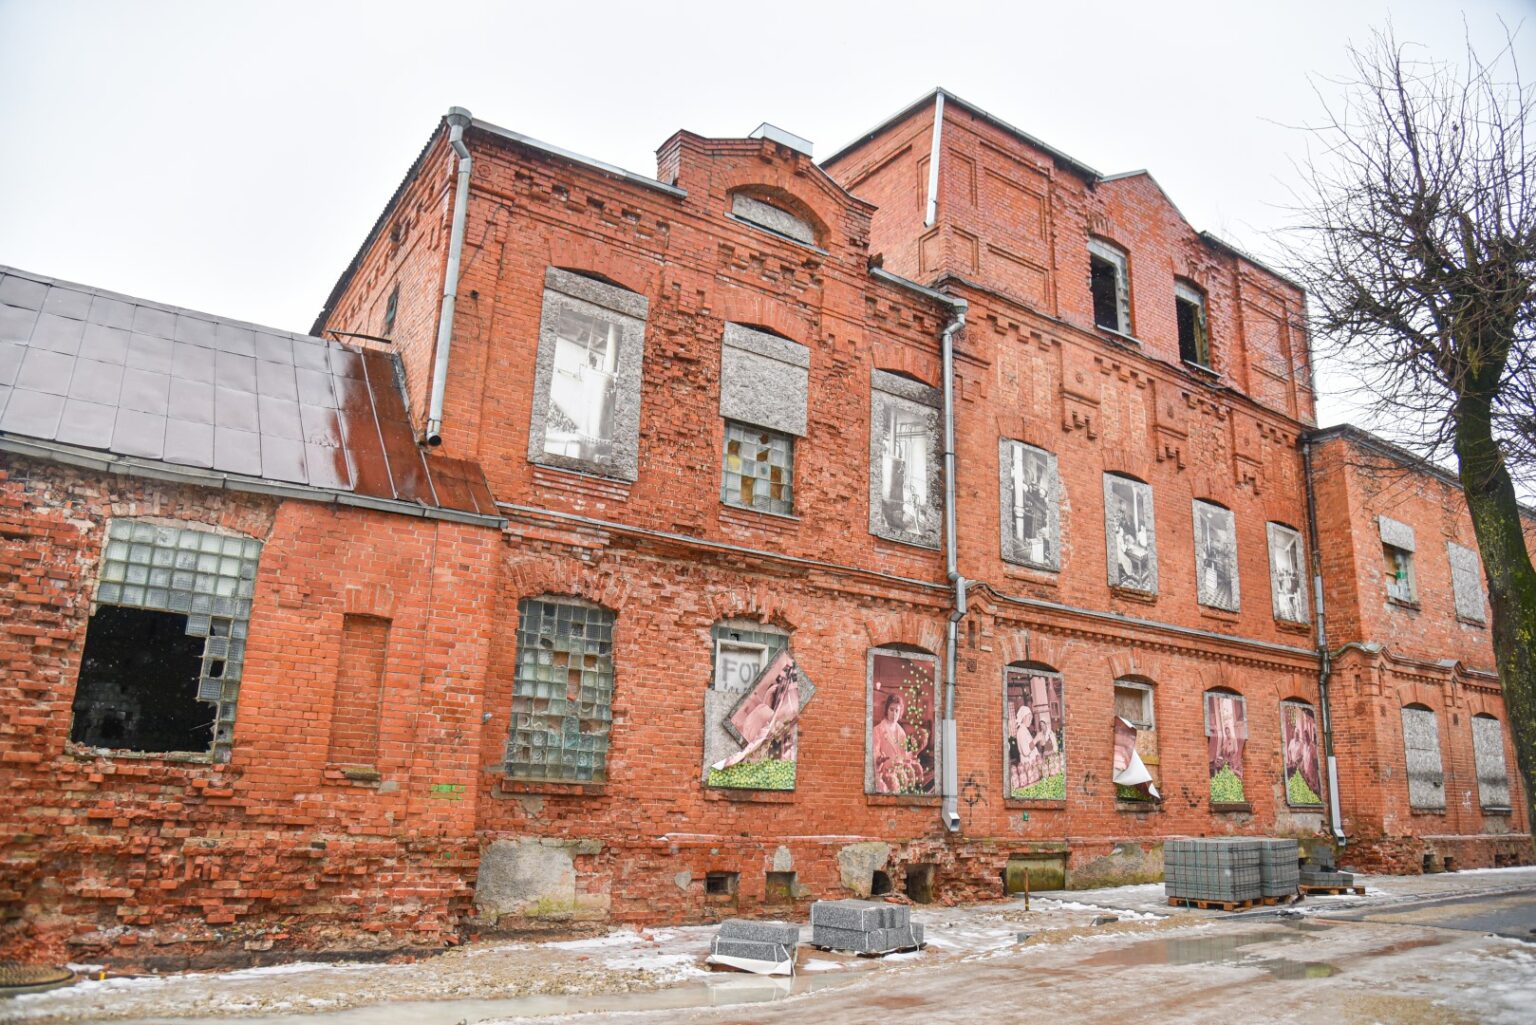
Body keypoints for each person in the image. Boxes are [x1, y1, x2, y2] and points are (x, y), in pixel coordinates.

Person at [873, 692, 919, 793]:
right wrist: (879, 760)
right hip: (885, 776)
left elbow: (902, 756)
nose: (894, 714)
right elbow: (874, 756)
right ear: (886, 710)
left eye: (897, 711)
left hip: (899, 774)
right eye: (891, 710)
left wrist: (913, 752)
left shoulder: (902, 732)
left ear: (900, 712)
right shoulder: (877, 730)